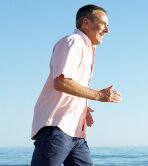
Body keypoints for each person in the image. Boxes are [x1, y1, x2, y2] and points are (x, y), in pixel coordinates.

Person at [31, 4, 122, 166]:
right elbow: (61, 82)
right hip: (57, 128)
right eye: (103, 24)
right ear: (86, 23)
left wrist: (81, 106)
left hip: (75, 133)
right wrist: (98, 95)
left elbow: (69, 84)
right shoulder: (73, 42)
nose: (107, 30)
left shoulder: (87, 49)